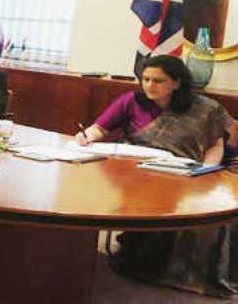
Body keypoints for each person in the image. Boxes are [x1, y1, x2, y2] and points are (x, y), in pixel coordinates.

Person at [77, 55, 233, 298]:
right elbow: (100, 128)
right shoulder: (131, 101)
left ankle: (190, 273)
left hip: (185, 173)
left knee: (210, 209)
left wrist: (204, 170)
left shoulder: (205, 109)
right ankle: (146, 264)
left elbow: (215, 145)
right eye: (146, 79)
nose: (150, 85)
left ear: (176, 83)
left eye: (158, 81)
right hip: (135, 175)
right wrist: (86, 136)